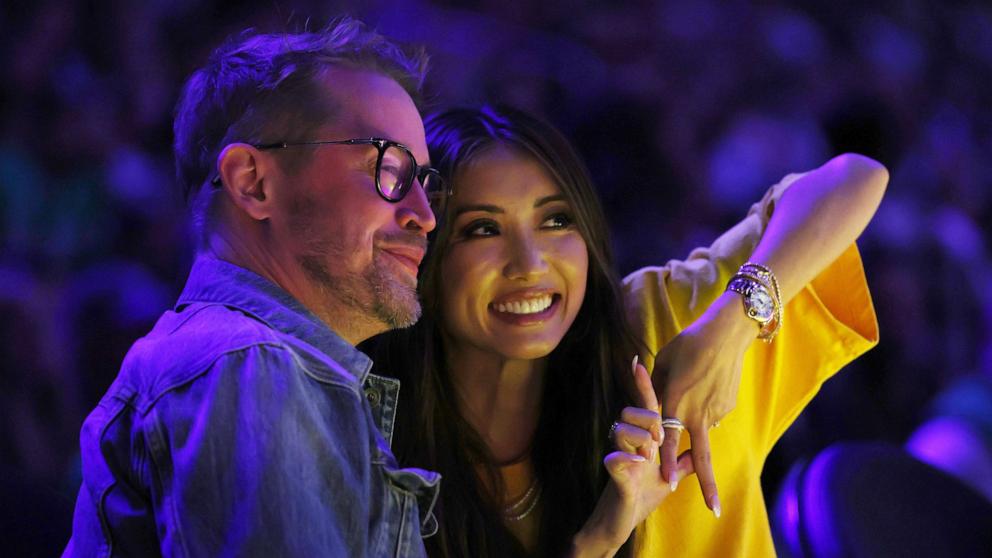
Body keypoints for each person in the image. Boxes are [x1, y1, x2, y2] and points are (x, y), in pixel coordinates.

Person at [363, 104, 885, 556]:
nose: (530, 264)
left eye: (556, 221)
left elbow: (853, 178)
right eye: (483, 230)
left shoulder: (658, 326)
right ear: (423, 252)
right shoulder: (369, 431)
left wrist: (731, 325)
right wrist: (595, 544)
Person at [64, 19, 448, 556]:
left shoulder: (253, 364)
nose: (424, 216)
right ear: (252, 182)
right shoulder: (251, 364)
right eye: (389, 168)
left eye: (425, 182)